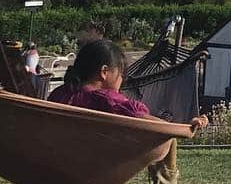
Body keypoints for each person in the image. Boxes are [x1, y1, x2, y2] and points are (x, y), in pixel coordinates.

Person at [49, 39, 208, 134]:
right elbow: (157, 126)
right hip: (94, 169)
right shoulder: (107, 101)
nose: (122, 80)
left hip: (56, 167)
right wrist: (187, 127)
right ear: (104, 72)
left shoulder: (58, 95)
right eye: (121, 74)